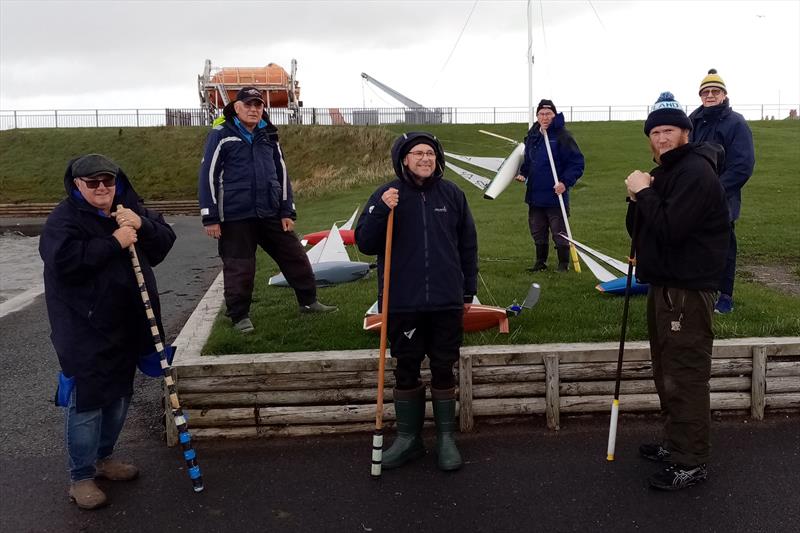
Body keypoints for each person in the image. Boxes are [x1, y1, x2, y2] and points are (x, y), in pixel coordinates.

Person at [39, 154, 176, 509]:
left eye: (107, 181)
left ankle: (103, 459)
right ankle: (80, 476)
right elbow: (63, 263)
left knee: (118, 396)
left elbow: (163, 245)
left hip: (128, 321)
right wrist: (114, 241)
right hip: (82, 325)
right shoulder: (63, 220)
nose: (102, 188)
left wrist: (143, 225)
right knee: (88, 400)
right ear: (77, 185)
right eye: (92, 182)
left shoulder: (127, 209)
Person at [624, 92, 730, 491]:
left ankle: (691, 460)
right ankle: (677, 443)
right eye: (654, 131)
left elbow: (672, 228)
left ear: (686, 132)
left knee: (684, 376)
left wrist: (646, 193)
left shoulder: (696, 173)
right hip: (665, 286)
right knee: (666, 372)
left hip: (687, 289)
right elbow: (641, 229)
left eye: (669, 129)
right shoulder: (669, 173)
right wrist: (637, 198)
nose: (661, 137)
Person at [355, 132, 478, 472]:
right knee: (406, 367)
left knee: (443, 366)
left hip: (445, 301)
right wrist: (381, 209)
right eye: (417, 153)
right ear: (404, 159)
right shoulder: (387, 195)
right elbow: (364, 242)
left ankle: (446, 440)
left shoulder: (452, 194)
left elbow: (468, 246)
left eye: (430, 153)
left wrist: (467, 292)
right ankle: (409, 440)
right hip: (402, 302)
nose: (425, 158)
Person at [198, 87, 336, 333]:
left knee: (294, 256)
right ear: (236, 107)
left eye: (258, 105)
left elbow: (281, 173)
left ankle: (308, 302)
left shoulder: (269, 134)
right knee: (240, 267)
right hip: (234, 215)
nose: (253, 109)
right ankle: (240, 316)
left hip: (270, 211)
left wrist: (287, 210)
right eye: (248, 105)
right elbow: (207, 175)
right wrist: (210, 216)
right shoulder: (220, 134)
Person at [689, 69, 755, 314]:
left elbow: (743, 164)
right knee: (695, 243)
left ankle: (725, 295)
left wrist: (716, 189)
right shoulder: (693, 120)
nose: (710, 95)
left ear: (724, 94)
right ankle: (702, 291)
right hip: (694, 196)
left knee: (724, 246)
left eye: (715, 91)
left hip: (722, 198)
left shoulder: (736, 123)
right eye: (705, 92)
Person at [514, 99, 585, 272]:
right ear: (537, 116)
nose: (545, 117)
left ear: (554, 115)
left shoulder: (562, 136)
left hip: (555, 195)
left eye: (548, 114)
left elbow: (577, 163)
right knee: (537, 229)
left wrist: (564, 182)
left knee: (559, 231)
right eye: (541, 114)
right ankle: (540, 262)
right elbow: (529, 160)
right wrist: (523, 173)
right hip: (535, 195)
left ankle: (563, 264)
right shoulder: (533, 137)